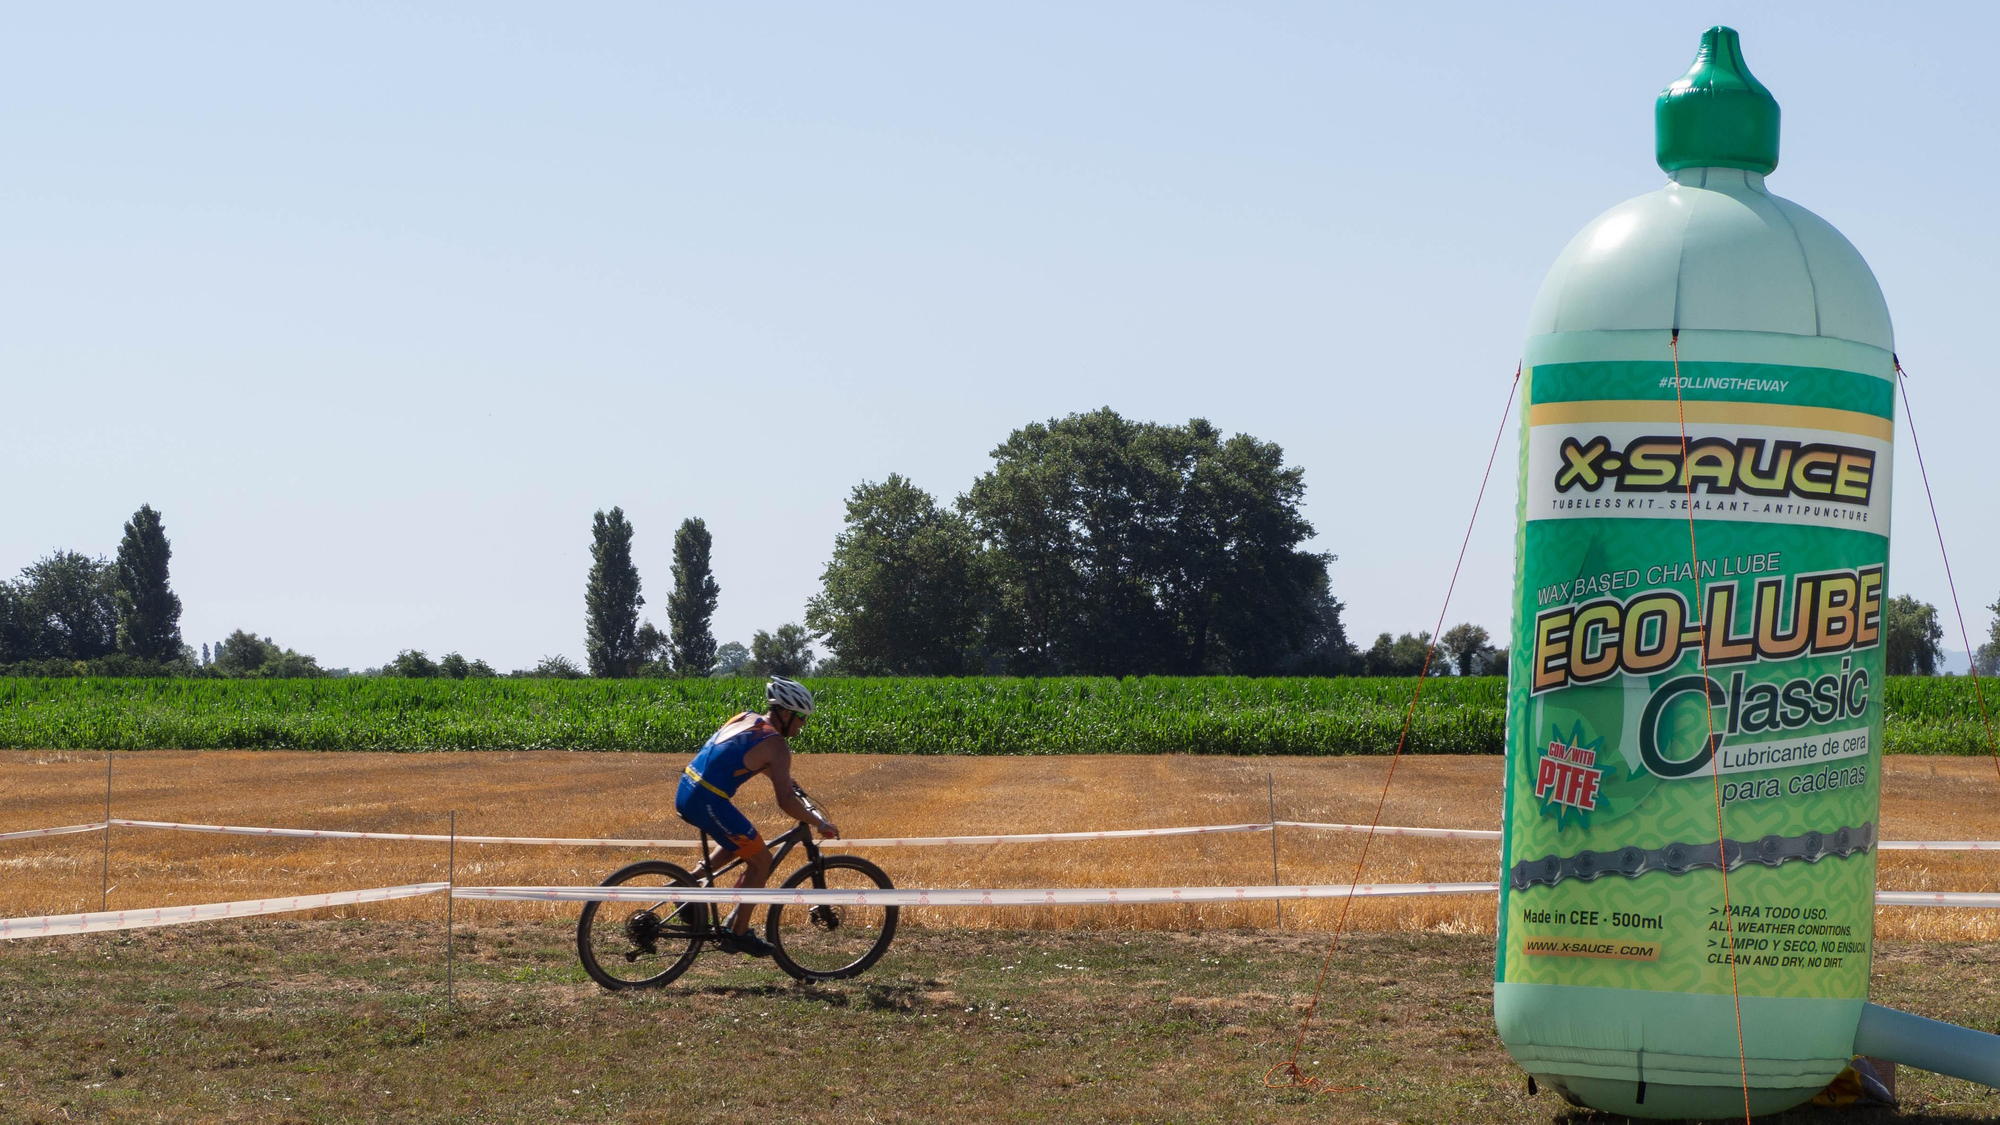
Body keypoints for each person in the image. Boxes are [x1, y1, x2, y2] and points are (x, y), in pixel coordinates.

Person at [675, 676, 840, 957]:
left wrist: (787, 779)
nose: (803, 725)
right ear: (786, 713)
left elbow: (740, 756)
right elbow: (786, 802)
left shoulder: (747, 718)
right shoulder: (778, 745)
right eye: (801, 718)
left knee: (739, 845)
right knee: (762, 859)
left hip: (688, 788)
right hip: (708, 800)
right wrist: (820, 823)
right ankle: (737, 934)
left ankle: (687, 883)